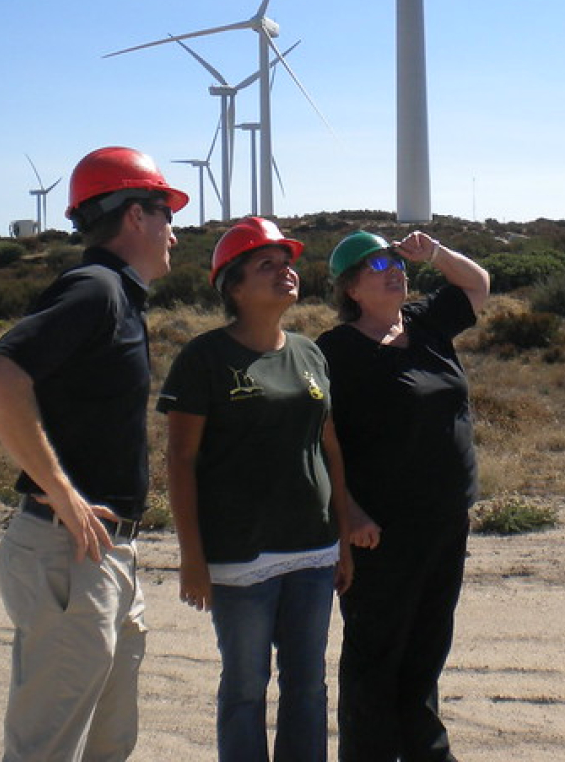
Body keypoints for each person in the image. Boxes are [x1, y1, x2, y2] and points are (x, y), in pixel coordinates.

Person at [0, 145, 187, 762]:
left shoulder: (119, 295)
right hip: (71, 553)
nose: (173, 230)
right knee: (48, 744)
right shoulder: (94, 289)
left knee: (111, 738)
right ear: (135, 217)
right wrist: (63, 493)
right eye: (166, 211)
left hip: (108, 552)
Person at [159, 216, 353, 762]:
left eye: (286, 262)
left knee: (308, 687)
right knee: (246, 688)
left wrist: (342, 536)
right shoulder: (205, 358)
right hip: (240, 555)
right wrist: (192, 557)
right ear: (234, 286)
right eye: (266, 265)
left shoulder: (311, 354)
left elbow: (331, 449)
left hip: (313, 550)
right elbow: (181, 459)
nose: (284, 272)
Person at [317, 229, 490, 762]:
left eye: (394, 260)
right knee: (376, 655)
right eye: (375, 265)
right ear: (351, 289)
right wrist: (348, 512)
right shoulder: (335, 352)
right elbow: (320, 441)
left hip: (444, 519)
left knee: (426, 647)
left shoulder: (425, 322)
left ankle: (426, 751)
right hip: (380, 532)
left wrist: (434, 252)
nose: (393, 269)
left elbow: (478, 284)